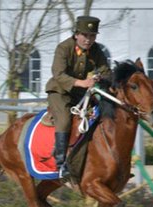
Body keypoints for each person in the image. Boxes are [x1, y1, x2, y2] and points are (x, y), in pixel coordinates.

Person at [45, 16, 110, 178]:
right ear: (76, 34)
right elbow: (58, 74)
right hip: (59, 91)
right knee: (65, 120)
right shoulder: (63, 48)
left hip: (80, 93)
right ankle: (60, 164)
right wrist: (83, 83)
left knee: (99, 115)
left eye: (92, 36)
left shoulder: (96, 50)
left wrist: (100, 78)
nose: (88, 40)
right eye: (85, 35)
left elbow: (106, 71)